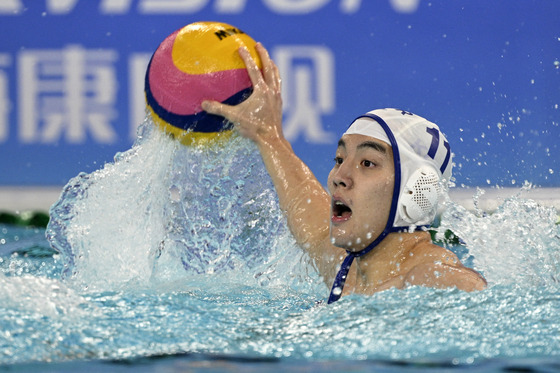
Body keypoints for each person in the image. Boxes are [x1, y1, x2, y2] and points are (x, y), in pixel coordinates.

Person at [201, 43, 486, 303]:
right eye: (339, 159)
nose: (339, 176)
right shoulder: (348, 269)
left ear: (416, 192)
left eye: (367, 163)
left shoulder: (438, 280)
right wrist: (268, 135)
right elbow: (306, 210)